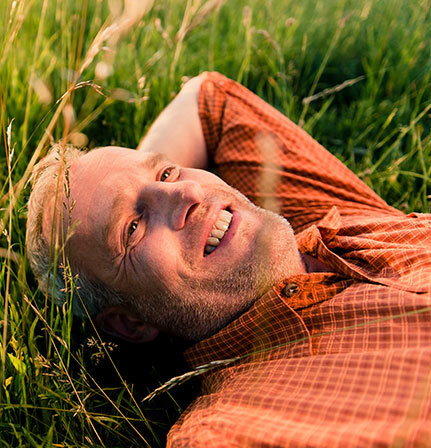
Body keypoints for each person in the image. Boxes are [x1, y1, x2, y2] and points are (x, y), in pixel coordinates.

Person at [25, 72, 431, 446]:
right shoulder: (230, 428)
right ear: (129, 323)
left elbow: (208, 101)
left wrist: (127, 187)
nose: (187, 195)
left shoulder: (329, 222)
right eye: (132, 228)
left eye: (166, 173)